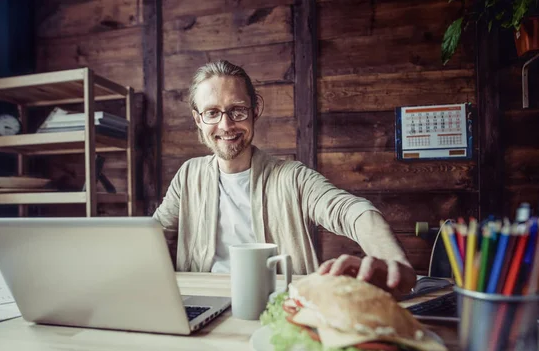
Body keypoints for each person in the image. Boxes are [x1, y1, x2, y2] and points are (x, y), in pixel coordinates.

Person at [153, 60, 416, 296]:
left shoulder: (292, 177)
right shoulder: (189, 174)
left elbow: (352, 211)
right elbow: (154, 234)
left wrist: (394, 261)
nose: (226, 125)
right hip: (202, 300)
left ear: (255, 110)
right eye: (212, 113)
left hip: (279, 307)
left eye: (237, 110)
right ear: (198, 119)